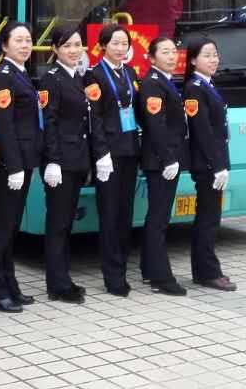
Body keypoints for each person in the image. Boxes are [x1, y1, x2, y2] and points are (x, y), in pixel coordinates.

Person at [0, 22, 41, 312]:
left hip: (24, 161)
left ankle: (9, 284)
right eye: (18, 40)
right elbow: (4, 125)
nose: (25, 45)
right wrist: (14, 165)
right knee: (1, 227)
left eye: (28, 40)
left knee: (12, 226)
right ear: (4, 46)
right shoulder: (4, 77)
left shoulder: (21, 74)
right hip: (11, 165)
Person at [86, 23, 141, 297]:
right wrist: (101, 153)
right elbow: (93, 118)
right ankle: (113, 276)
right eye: (115, 43)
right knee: (109, 215)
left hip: (130, 151)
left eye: (124, 44)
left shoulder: (130, 73)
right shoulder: (93, 75)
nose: (120, 48)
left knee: (125, 214)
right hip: (108, 155)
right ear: (103, 46)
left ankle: (122, 267)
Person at [39, 25, 92, 304]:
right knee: (58, 224)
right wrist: (52, 161)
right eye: (67, 45)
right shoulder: (51, 79)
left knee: (66, 223)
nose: (73, 50)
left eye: (77, 45)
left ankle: (63, 278)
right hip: (60, 164)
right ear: (55, 49)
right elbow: (48, 123)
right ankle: (57, 285)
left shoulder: (77, 77)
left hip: (76, 161)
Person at [183, 36, 236, 292]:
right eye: (207, 55)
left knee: (211, 217)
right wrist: (217, 166)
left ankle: (203, 270)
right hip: (207, 165)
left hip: (213, 162)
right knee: (207, 219)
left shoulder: (207, 84)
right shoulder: (194, 88)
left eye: (215, 54)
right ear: (193, 60)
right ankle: (208, 272)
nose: (213, 60)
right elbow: (202, 131)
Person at [136, 37, 188, 296]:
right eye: (165, 52)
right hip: (161, 161)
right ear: (152, 58)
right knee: (158, 219)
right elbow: (155, 125)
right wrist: (168, 159)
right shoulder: (152, 84)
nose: (171, 56)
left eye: (173, 51)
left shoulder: (166, 81)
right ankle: (161, 277)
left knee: (158, 216)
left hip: (166, 159)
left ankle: (149, 268)